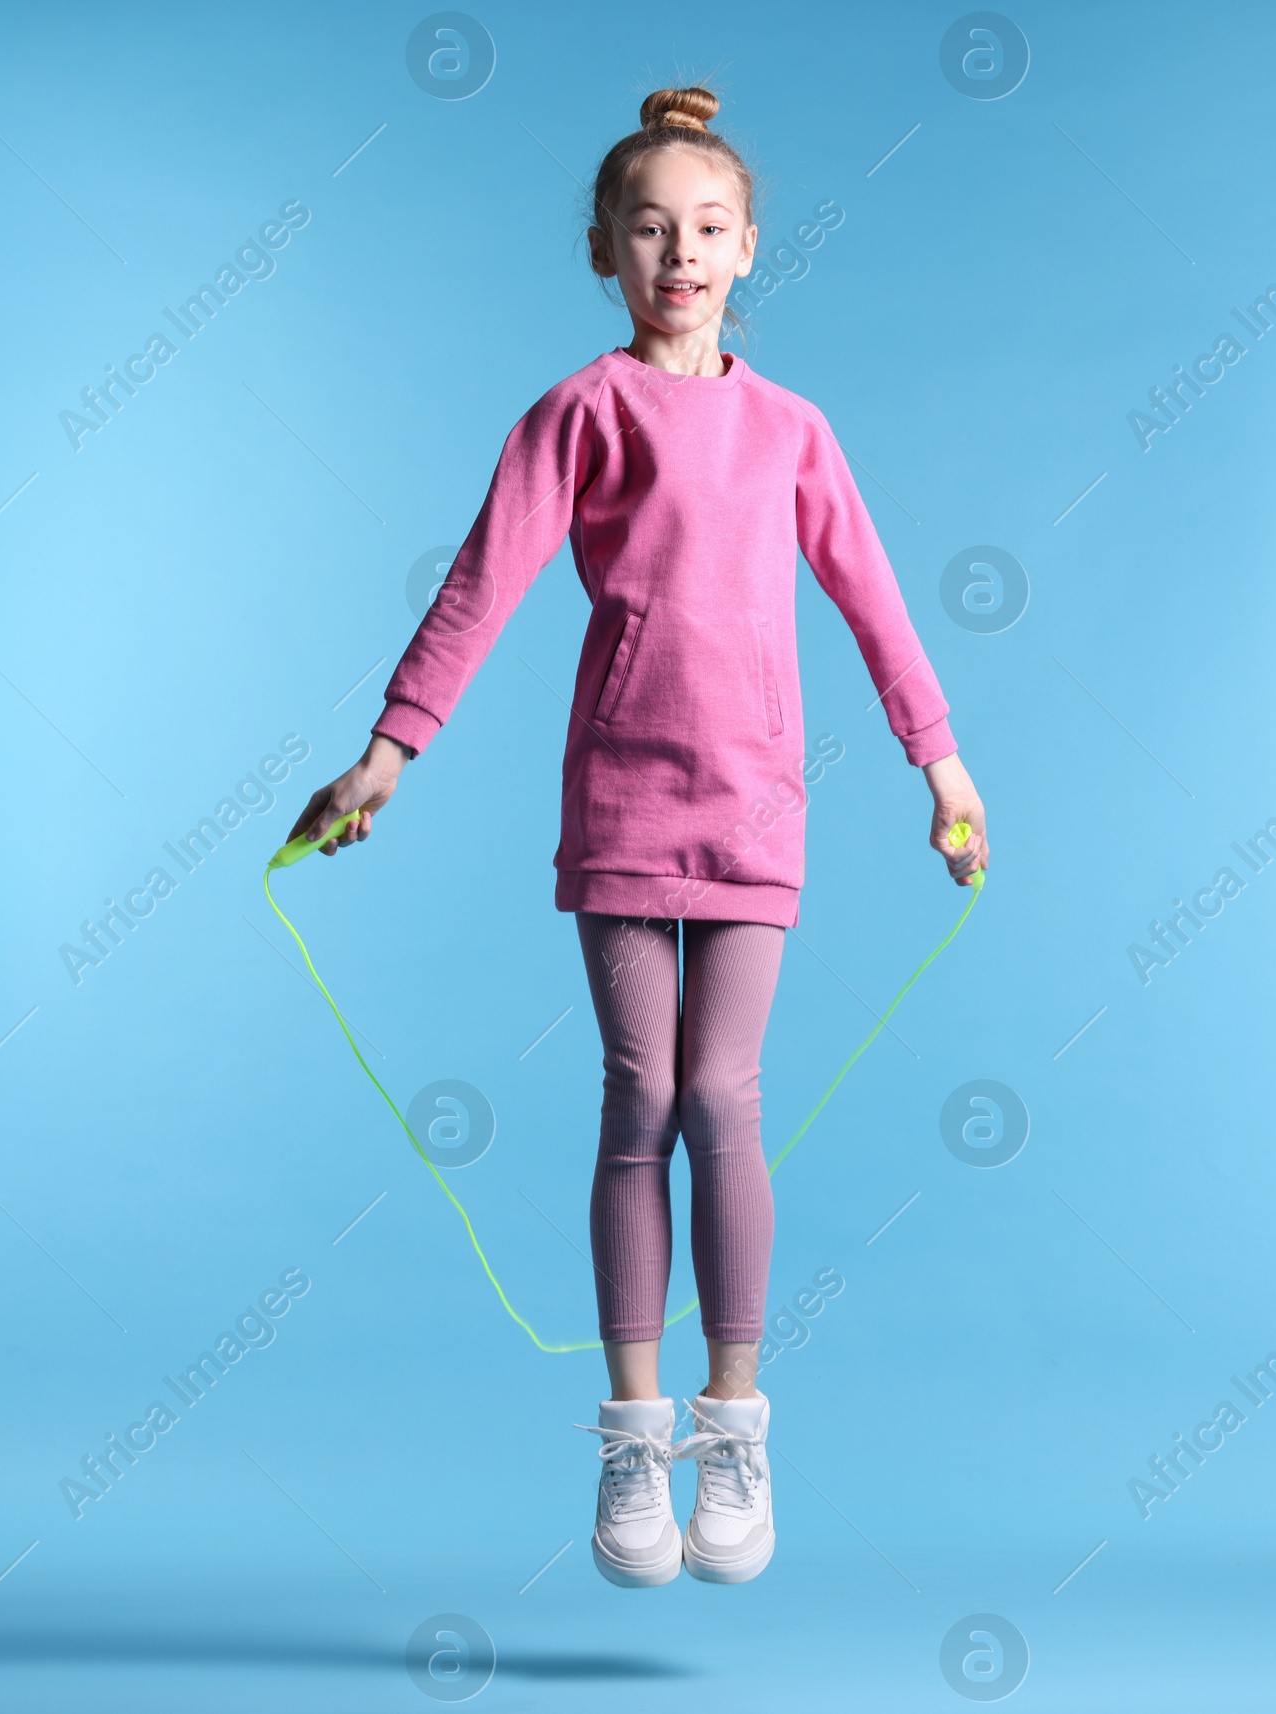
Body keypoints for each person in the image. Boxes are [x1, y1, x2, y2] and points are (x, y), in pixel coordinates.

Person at [287, 83, 987, 1588]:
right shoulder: (578, 413)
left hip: (756, 808)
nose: (682, 251)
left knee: (724, 1093)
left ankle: (734, 1419)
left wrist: (941, 762)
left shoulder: (795, 429)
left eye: (710, 228)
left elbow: (873, 600)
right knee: (637, 1096)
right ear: (605, 247)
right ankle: (631, 1432)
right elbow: (482, 583)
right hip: (620, 800)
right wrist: (387, 750)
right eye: (651, 227)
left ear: (750, 251)